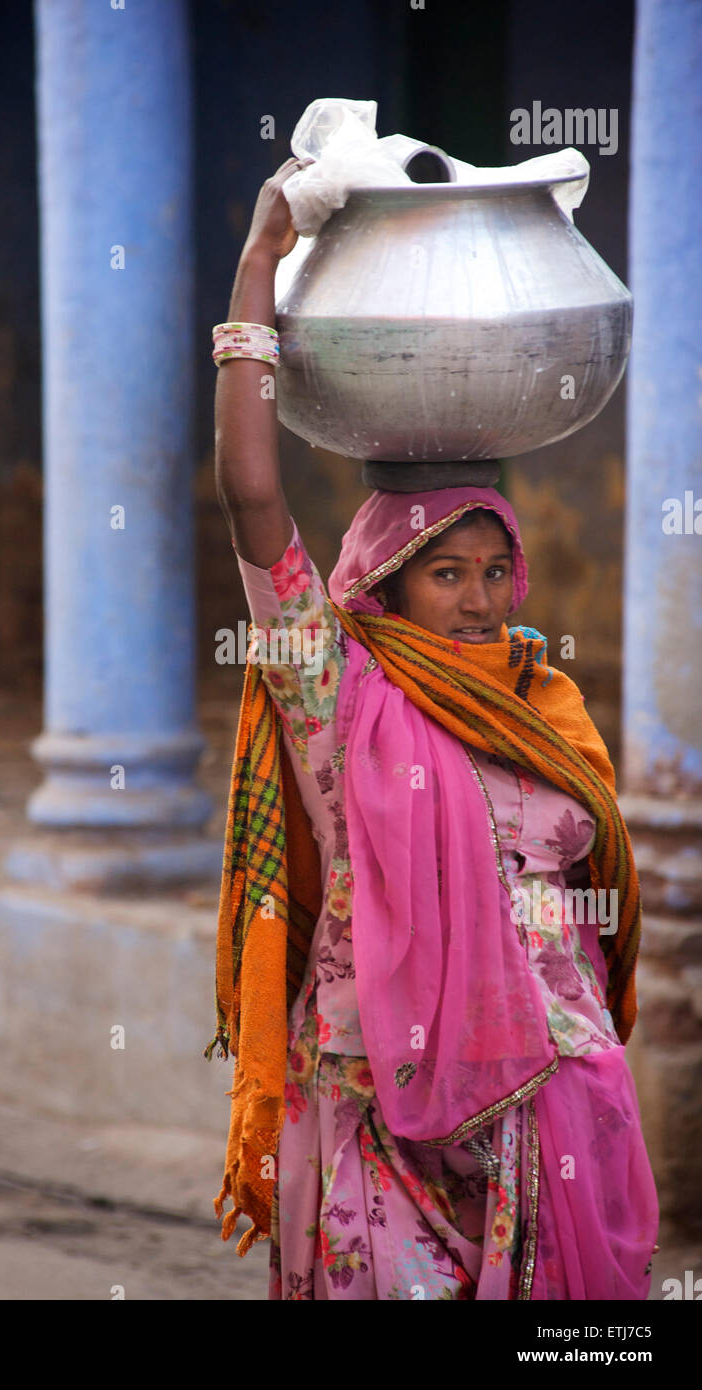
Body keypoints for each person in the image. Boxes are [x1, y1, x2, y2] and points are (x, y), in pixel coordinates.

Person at [207, 156, 659, 1301]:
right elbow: (255, 501)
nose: (476, 596)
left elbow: (584, 920)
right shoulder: (339, 692)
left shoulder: (544, 709)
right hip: (373, 1097)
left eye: (494, 568)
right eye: (443, 571)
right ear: (386, 582)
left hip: (545, 1100)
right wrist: (261, 262)